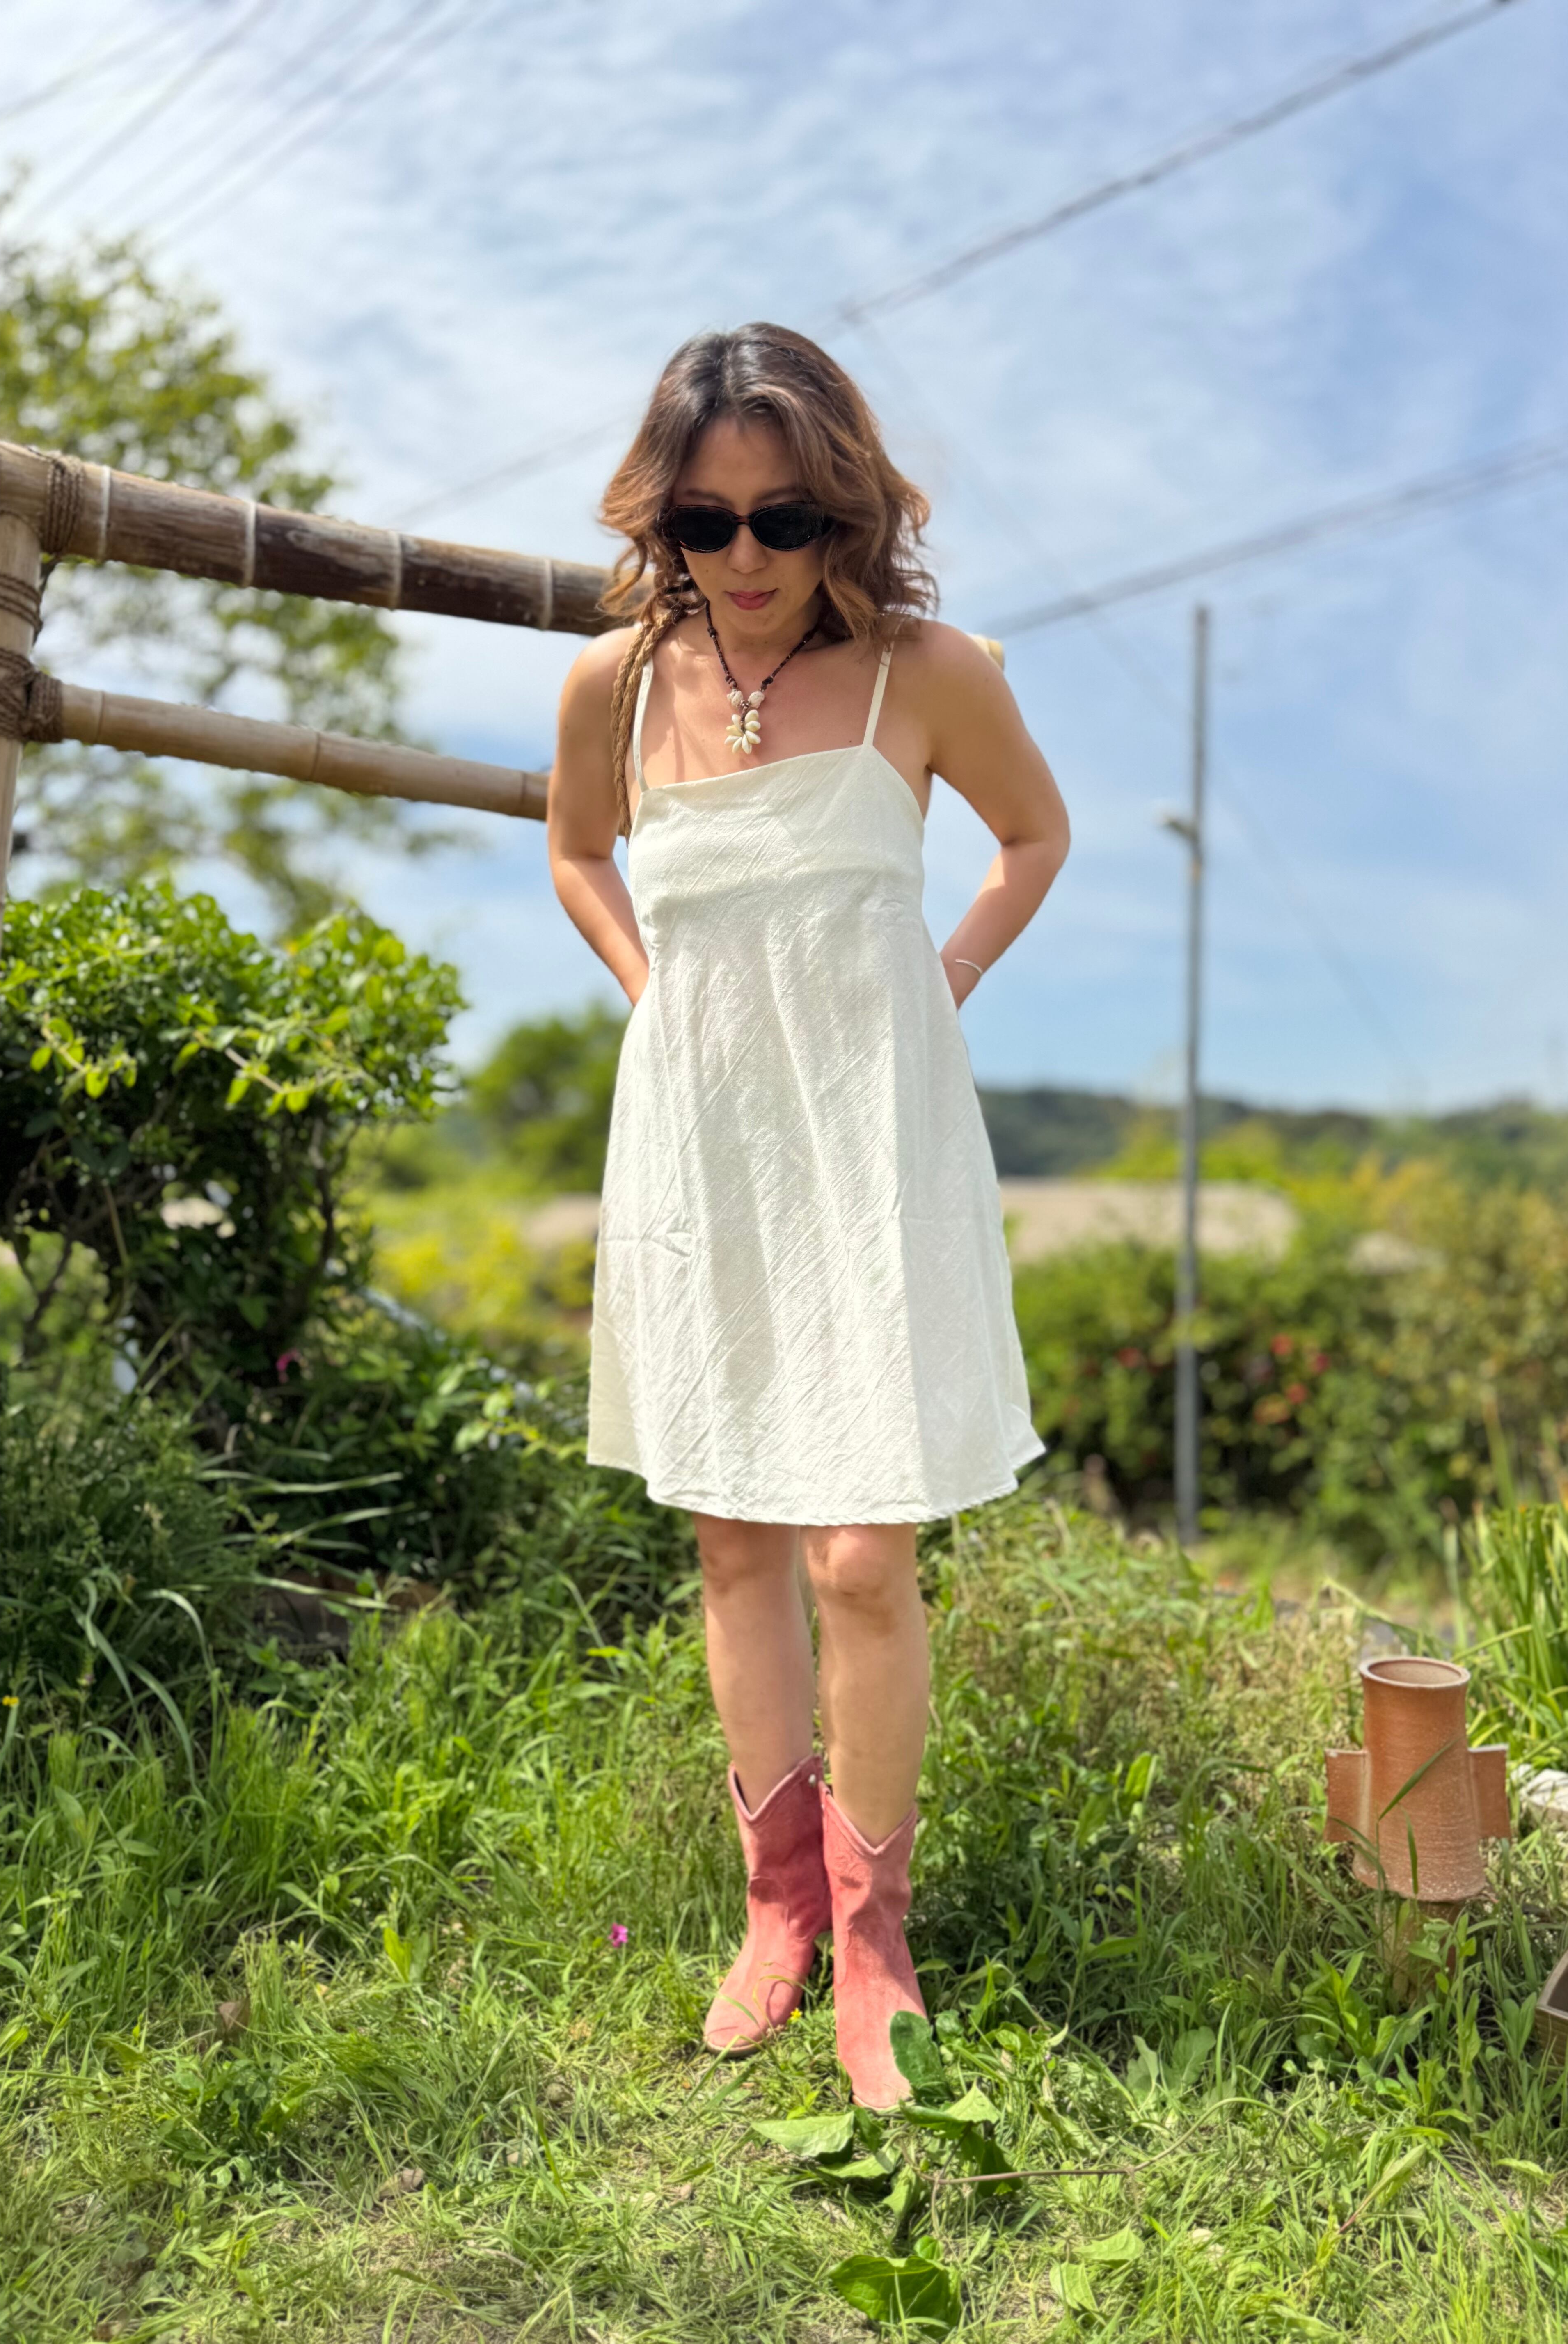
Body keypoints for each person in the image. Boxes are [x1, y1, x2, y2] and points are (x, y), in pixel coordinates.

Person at [546, 322, 1070, 2109]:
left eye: (782, 518)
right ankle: (776, 1910)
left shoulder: (930, 670)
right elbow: (577, 851)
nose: (747, 557)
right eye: (706, 522)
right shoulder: (615, 686)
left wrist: (944, 980)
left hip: (873, 1135)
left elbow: (1033, 837)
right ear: (664, 521)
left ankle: (875, 1932)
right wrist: (654, 999)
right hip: (704, 1138)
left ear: (842, 509)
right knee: (733, 1541)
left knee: (859, 1553)